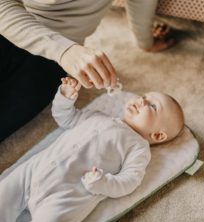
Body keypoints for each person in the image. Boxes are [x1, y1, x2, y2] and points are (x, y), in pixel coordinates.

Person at [0, 76, 184, 222]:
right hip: (36, 170)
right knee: (4, 193)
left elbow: (130, 181)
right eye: (144, 96)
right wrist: (64, 98)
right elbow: (65, 119)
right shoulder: (98, 116)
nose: (142, 100)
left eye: (152, 106)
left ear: (158, 136)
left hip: (67, 193)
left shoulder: (138, 147)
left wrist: (103, 183)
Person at [0, 0, 177, 141]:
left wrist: (145, 42)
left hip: (51, 63)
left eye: (152, 105)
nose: (141, 101)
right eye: (146, 99)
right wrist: (64, 50)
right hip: (11, 31)